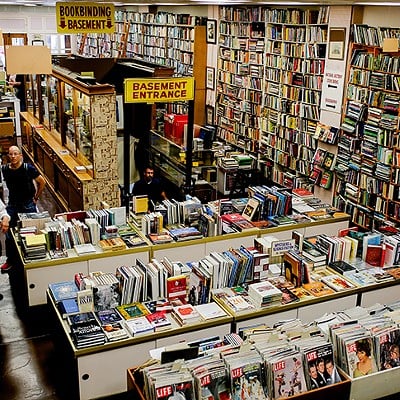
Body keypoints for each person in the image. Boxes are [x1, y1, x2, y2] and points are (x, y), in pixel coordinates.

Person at [1, 145, 45, 272]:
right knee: (9, 233)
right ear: (8, 156)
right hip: (13, 204)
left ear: (20, 155)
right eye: (11, 154)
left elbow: (42, 182)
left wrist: (36, 197)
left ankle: (31, 258)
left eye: (16, 154)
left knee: (30, 231)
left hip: (27, 204)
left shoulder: (28, 168)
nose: (13, 156)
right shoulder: (5, 169)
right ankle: (10, 260)